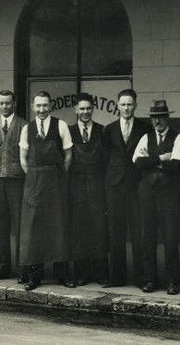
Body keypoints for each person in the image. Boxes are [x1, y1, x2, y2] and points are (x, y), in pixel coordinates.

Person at [18, 90, 73, 290]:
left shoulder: (61, 126)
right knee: (33, 230)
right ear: (33, 107)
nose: (41, 110)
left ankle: (62, 275)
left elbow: (68, 156)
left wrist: (56, 177)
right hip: (33, 185)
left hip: (55, 185)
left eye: (45, 106)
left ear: (50, 106)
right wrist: (34, 176)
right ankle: (35, 277)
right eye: (38, 106)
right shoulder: (27, 129)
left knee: (59, 228)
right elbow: (23, 159)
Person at [132, 99, 180, 295]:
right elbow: (137, 162)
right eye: (154, 118)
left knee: (170, 238)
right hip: (147, 194)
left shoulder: (178, 137)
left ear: (167, 118)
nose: (157, 122)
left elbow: (177, 164)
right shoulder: (146, 138)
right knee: (148, 237)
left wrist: (152, 162)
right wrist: (162, 159)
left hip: (169, 195)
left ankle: (173, 281)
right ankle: (150, 280)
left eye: (161, 117)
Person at [103, 88, 151, 287]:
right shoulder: (109, 129)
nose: (126, 108)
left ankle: (141, 277)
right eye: (122, 104)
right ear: (117, 105)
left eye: (129, 104)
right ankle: (117, 277)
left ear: (135, 105)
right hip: (114, 185)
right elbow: (105, 157)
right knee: (116, 232)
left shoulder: (144, 128)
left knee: (138, 232)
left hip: (136, 185)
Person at [67, 93, 108, 286]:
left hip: (97, 185)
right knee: (79, 229)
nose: (85, 112)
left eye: (88, 108)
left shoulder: (102, 131)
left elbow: (106, 161)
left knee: (99, 228)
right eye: (81, 109)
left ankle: (100, 272)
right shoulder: (69, 131)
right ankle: (81, 273)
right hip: (77, 187)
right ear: (75, 109)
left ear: (93, 109)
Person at [0, 89, 26, 283]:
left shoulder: (24, 125)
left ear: (14, 103)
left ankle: (22, 269)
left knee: (19, 225)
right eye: (1, 103)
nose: (4, 106)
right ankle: (0, 268)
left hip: (17, 179)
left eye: (8, 103)